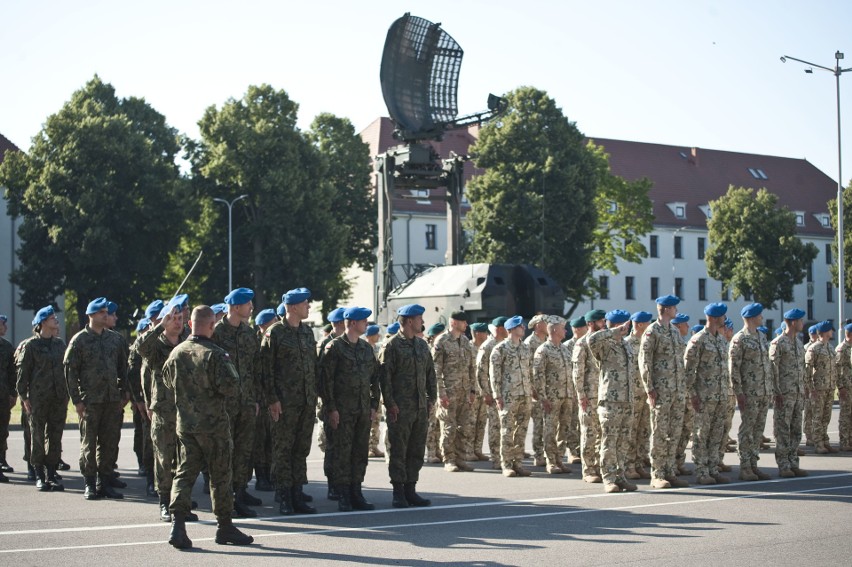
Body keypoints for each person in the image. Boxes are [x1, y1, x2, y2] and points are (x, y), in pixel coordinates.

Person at [163, 305, 253, 549]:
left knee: (184, 473)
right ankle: (224, 526)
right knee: (221, 475)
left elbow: (167, 382)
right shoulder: (216, 354)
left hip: (187, 426)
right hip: (214, 427)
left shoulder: (176, 353)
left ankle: (177, 525)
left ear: (190, 324)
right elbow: (232, 387)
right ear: (212, 325)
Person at [64, 297, 129, 499]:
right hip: (90, 401)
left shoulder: (115, 339)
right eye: (101, 312)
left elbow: (123, 368)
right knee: (89, 443)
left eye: (106, 312)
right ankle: (90, 483)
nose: (105, 315)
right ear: (91, 315)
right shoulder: (79, 340)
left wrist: (124, 392)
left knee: (109, 443)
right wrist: (76, 400)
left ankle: (104, 482)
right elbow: (70, 372)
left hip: (111, 400)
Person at [262, 287, 318, 515]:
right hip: (284, 404)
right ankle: (284, 496)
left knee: (301, 449)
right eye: (305, 303)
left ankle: (297, 494)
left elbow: (313, 367)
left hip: (305, 402)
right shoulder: (274, 333)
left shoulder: (307, 333)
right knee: (283, 449)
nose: (309, 307)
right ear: (293, 307)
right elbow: (265, 370)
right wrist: (272, 399)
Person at [320, 307, 381, 512]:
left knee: (359, 452)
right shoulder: (334, 348)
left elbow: (375, 380)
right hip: (342, 411)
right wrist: (331, 409)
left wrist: (373, 405)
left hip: (362, 410)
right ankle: (343, 494)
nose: (367, 324)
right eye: (364, 321)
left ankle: (357, 491)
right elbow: (326, 382)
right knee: (342, 453)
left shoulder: (365, 348)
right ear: (353, 323)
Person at [138, 297, 193, 521]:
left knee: (185, 459)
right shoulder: (156, 346)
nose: (177, 323)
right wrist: (160, 325)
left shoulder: (187, 343)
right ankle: (164, 502)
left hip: (186, 410)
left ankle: (181, 503)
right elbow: (139, 347)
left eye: (180, 318)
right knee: (163, 458)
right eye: (173, 319)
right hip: (163, 410)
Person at [379, 303, 436, 508]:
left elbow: (431, 374)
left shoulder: (421, 346)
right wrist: (391, 404)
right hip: (400, 409)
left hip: (420, 407)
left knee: (416, 449)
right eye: (420, 319)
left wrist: (432, 399)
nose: (423, 322)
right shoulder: (392, 346)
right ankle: (398, 491)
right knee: (398, 450)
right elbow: (384, 379)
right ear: (410, 321)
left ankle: (411, 488)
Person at [212, 287, 262, 518]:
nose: (251, 307)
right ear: (235, 307)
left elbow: (256, 368)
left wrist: (256, 398)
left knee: (244, 450)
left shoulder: (249, 333)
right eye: (247, 304)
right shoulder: (216, 332)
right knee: (225, 451)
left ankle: (240, 491)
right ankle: (226, 496)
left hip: (246, 402)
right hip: (224, 404)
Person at [16, 306, 68, 490]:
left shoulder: (60, 344)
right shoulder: (30, 346)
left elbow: (66, 371)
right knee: (37, 436)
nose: (56, 321)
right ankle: (39, 474)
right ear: (43, 322)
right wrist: (24, 396)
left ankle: (51, 473)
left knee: (55, 436)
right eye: (53, 318)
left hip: (58, 398)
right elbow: (23, 374)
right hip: (38, 399)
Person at [639, 295, 688, 489]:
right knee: (660, 433)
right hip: (660, 391)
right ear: (666, 309)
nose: (676, 310)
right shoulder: (652, 332)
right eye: (674, 307)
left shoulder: (674, 332)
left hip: (676, 391)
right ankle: (657, 474)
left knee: (674, 433)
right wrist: (650, 388)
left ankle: (670, 471)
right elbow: (645, 361)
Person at [586, 310, 635, 493]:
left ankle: (620, 476)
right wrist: (612, 331)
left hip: (627, 400)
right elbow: (591, 340)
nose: (628, 327)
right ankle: (608, 479)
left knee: (623, 442)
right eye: (625, 324)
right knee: (609, 441)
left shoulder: (626, 345)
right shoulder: (604, 345)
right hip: (611, 401)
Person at [683, 303, 731, 485]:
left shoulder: (720, 340)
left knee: (716, 434)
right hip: (703, 397)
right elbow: (689, 372)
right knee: (701, 435)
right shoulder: (698, 340)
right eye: (722, 316)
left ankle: (713, 469)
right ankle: (702, 472)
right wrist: (693, 395)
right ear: (714, 318)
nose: (724, 319)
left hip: (720, 396)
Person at [729, 303, 774, 480]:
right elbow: (734, 369)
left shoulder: (761, 336)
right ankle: (745, 466)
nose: (762, 318)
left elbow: (766, 365)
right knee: (747, 430)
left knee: (758, 430)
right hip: (748, 392)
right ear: (751, 317)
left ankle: (754, 464)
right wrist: (738, 392)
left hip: (762, 391)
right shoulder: (739, 339)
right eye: (759, 315)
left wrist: (769, 388)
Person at [491, 315, 537, 478]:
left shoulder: (525, 348)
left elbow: (529, 371)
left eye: (523, 326)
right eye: (520, 326)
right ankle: (507, 464)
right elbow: (495, 374)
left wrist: (532, 389)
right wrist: (497, 395)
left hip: (525, 395)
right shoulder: (500, 349)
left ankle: (518, 463)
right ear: (511, 329)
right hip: (508, 395)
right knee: (507, 431)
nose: (523, 328)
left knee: (521, 430)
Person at [432, 311, 476, 473]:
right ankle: (449, 460)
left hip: (464, 392)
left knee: (464, 427)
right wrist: (440, 393)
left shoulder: (465, 341)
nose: (465, 324)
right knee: (448, 428)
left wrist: (472, 390)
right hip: (448, 392)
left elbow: (471, 367)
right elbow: (436, 370)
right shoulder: (441, 341)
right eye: (463, 322)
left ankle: (460, 458)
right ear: (453, 323)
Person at [769, 308, 808, 477]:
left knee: (796, 431)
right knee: (783, 431)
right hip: (783, 395)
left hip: (797, 394)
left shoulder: (798, 343)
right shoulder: (778, 343)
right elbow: (772, 370)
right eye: (800, 321)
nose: (802, 324)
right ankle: (783, 465)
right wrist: (776, 392)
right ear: (793, 322)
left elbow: (802, 369)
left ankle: (793, 463)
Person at [533, 315, 574, 474]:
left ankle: (559, 460)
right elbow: (538, 375)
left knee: (564, 429)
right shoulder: (543, 350)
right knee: (550, 430)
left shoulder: (565, 349)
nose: (565, 331)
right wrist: (543, 397)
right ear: (555, 330)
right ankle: (550, 462)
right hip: (551, 397)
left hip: (567, 396)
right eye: (563, 328)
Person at [573, 309, 606, 483]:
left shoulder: (604, 341)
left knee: (602, 433)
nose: (604, 323)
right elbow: (577, 371)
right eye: (601, 321)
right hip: (589, 395)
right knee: (589, 433)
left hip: (603, 395)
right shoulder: (582, 343)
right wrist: (581, 395)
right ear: (591, 324)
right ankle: (588, 470)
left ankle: (602, 467)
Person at [476, 317, 508, 469]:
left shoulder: (506, 344)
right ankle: (496, 458)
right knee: (495, 426)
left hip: (508, 392)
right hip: (494, 393)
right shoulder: (487, 346)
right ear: (501, 329)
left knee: (506, 426)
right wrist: (485, 393)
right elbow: (480, 372)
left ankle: (506, 456)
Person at [252, 308, 277, 493]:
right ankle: (261, 477)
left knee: (271, 439)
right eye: (274, 320)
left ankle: (269, 474)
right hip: (258, 398)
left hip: (270, 397)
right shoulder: (255, 342)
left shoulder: (273, 341)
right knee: (259, 440)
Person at [624, 311, 652, 479]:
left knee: (643, 431)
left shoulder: (647, 343)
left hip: (646, 395)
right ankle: (629, 466)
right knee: (631, 432)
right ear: (640, 325)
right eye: (648, 323)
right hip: (632, 395)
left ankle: (640, 463)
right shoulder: (626, 343)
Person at [805, 320, 839, 454]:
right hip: (818, 389)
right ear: (825, 332)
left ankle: (825, 441)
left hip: (829, 388)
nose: (832, 332)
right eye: (830, 330)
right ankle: (818, 443)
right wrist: (810, 388)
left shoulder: (830, 347)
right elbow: (807, 370)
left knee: (826, 417)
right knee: (817, 417)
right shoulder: (814, 348)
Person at [562, 317, 587, 466]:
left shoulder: (587, 343)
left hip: (586, 389)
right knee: (572, 422)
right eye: (584, 327)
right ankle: (573, 451)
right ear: (577, 329)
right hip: (571, 390)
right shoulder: (567, 346)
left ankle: (583, 450)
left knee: (583, 422)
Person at [525, 314, 548, 467]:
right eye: (545, 322)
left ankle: (548, 453)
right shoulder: (529, 343)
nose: (548, 324)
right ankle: (539, 455)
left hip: (549, 389)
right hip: (536, 390)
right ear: (538, 325)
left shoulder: (547, 341)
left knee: (548, 424)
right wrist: (533, 388)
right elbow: (527, 367)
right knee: (539, 424)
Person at [467, 322, 491, 462]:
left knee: (481, 422)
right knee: (470, 422)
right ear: (477, 333)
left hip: (483, 390)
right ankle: (468, 451)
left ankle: (478, 450)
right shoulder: (469, 348)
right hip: (472, 391)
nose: (486, 335)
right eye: (484, 332)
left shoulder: (484, 348)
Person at [364, 324, 386, 459]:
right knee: (368, 421)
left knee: (376, 420)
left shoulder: (376, 348)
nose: (378, 336)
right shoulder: (365, 349)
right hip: (366, 390)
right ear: (370, 335)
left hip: (376, 390)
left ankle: (373, 446)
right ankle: (366, 446)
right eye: (376, 334)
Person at [0, 313, 15, 481]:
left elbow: (12, 373)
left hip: (3, 396)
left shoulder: (6, 347)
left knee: (2, 431)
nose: (5, 327)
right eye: (3, 324)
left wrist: (13, 393)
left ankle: (1, 460)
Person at [834, 323, 852, 451]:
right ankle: (844, 441)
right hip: (846, 387)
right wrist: (841, 387)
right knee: (845, 415)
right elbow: (837, 370)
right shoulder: (841, 349)